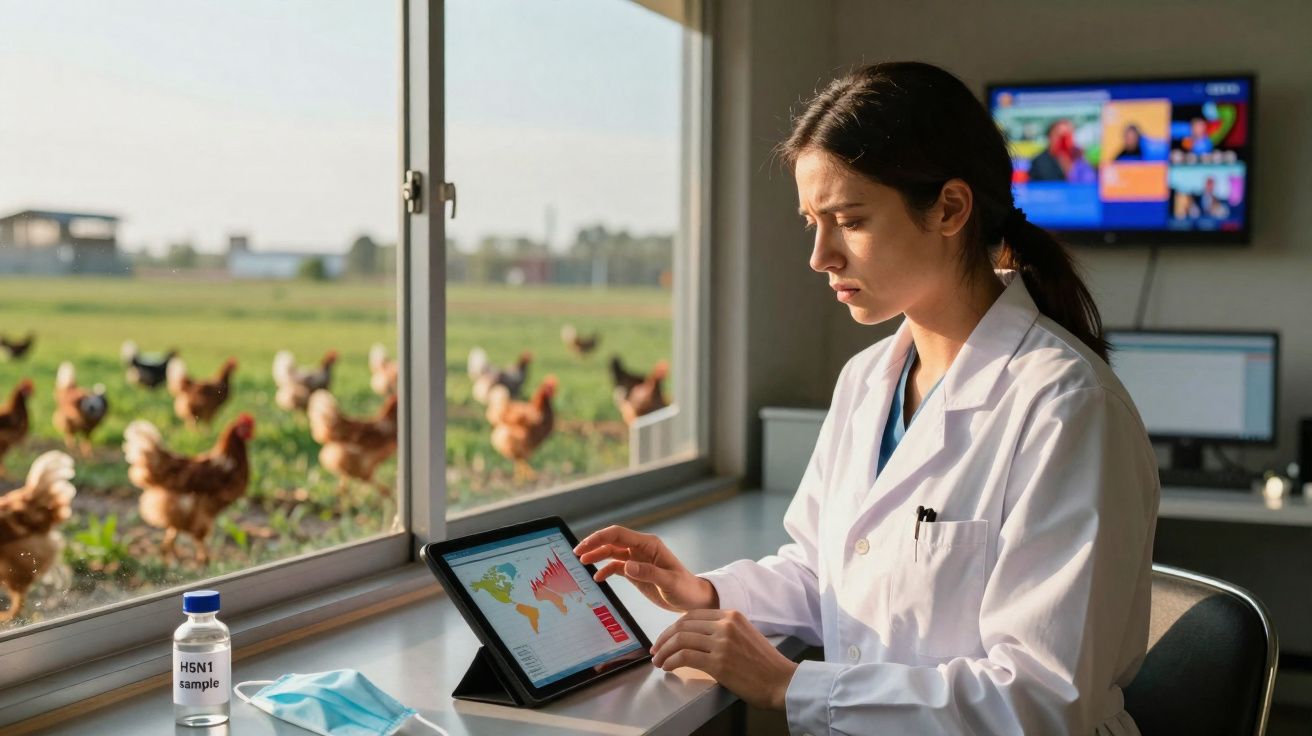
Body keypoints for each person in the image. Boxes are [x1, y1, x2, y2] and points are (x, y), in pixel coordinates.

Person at [574, 61, 1158, 735]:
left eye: (848, 220)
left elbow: (1038, 696)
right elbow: (828, 571)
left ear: (949, 208)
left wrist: (791, 684)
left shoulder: (1066, 408)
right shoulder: (867, 380)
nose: (821, 255)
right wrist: (702, 592)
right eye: (810, 223)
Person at [1028, 118, 1095, 183]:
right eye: (1059, 135)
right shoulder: (1039, 162)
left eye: (1067, 135)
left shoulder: (1080, 157)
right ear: (1050, 137)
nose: (1063, 140)